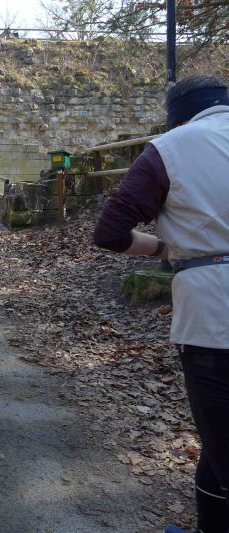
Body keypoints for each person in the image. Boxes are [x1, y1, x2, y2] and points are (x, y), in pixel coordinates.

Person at [93, 74, 229, 533]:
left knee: (222, 444)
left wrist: (163, 249)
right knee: (215, 448)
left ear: (178, 116)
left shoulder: (172, 147)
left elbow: (110, 232)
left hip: (213, 316)